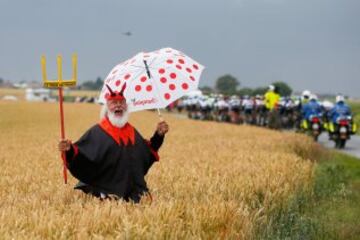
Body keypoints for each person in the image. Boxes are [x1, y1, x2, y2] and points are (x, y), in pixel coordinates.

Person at [58, 84, 169, 203]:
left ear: (126, 107)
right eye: (114, 103)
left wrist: (159, 135)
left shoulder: (131, 131)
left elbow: (146, 153)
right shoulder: (98, 132)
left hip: (135, 193)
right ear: (107, 108)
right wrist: (69, 150)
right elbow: (82, 157)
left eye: (121, 102)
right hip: (107, 193)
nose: (118, 105)